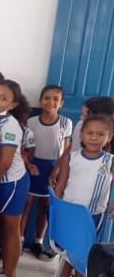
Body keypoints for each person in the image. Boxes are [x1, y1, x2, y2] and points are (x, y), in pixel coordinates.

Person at [0, 80, 31, 277]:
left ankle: (10, 273)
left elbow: (4, 163)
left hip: (10, 183)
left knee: (11, 229)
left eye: (3, 98)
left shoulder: (10, 125)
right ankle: (7, 270)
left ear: (13, 104)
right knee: (2, 226)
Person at [55, 114, 114, 277]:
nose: (94, 137)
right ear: (81, 135)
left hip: (93, 216)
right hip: (70, 213)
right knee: (70, 251)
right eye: (90, 133)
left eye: (101, 134)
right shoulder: (71, 158)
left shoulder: (110, 161)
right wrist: (56, 209)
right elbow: (60, 185)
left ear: (109, 137)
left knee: (86, 255)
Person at [22, 85, 72, 261]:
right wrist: (28, 164)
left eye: (55, 99)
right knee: (26, 203)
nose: (51, 102)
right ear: (40, 101)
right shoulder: (31, 121)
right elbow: (25, 147)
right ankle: (19, 240)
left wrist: (58, 171)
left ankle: (38, 241)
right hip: (33, 166)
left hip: (53, 168)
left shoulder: (66, 123)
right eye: (47, 98)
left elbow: (66, 152)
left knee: (44, 205)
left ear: (61, 103)